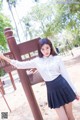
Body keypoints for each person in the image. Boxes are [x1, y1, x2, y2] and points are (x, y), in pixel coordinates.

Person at [0, 38, 79, 120]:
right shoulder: (37, 61)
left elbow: (65, 75)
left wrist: (75, 91)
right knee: (63, 118)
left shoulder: (57, 59)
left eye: (47, 48)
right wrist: (4, 58)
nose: (45, 51)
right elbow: (20, 65)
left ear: (50, 47)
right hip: (52, 90)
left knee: (70, 116)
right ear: (40, 50)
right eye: (43, 49)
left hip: (64, 87)